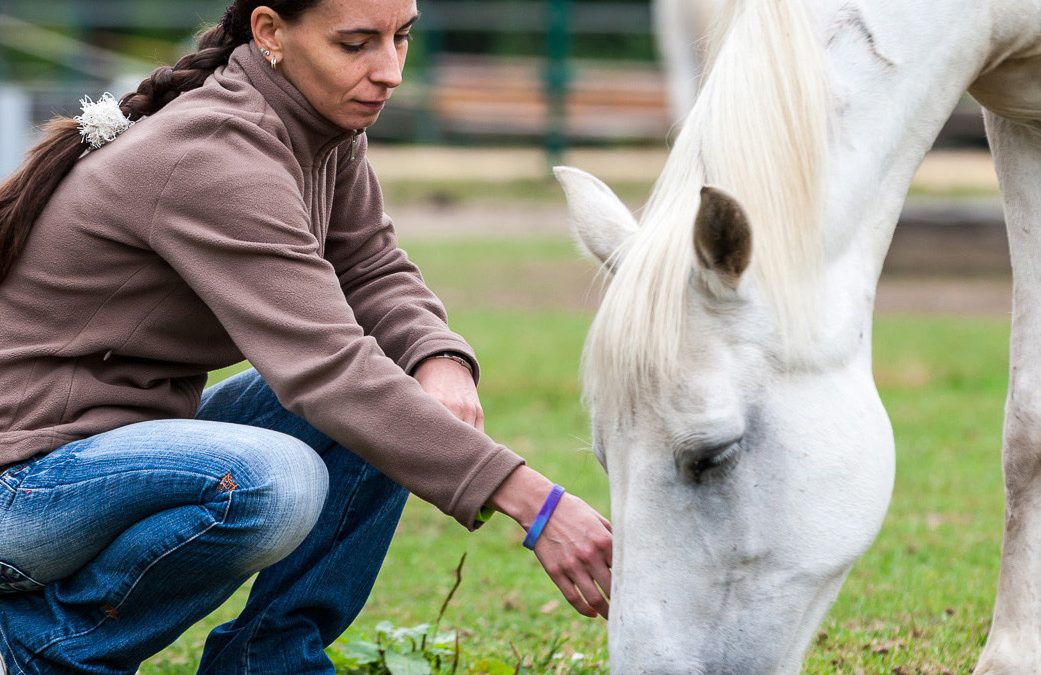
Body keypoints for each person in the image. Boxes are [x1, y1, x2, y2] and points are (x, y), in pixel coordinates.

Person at [0, 1, 612, 672]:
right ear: (270, 33)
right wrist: (539, 506)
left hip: (103, 461)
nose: (390, 71)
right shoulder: (213, 155)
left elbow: (369, 266)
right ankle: (41, 651)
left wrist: (437, 358)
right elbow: (328, 369)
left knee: (392, 396)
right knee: (269, 482)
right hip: (23, 487)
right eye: (355, 44)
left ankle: (272, 661)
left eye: (401, 37)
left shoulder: (321, 123)